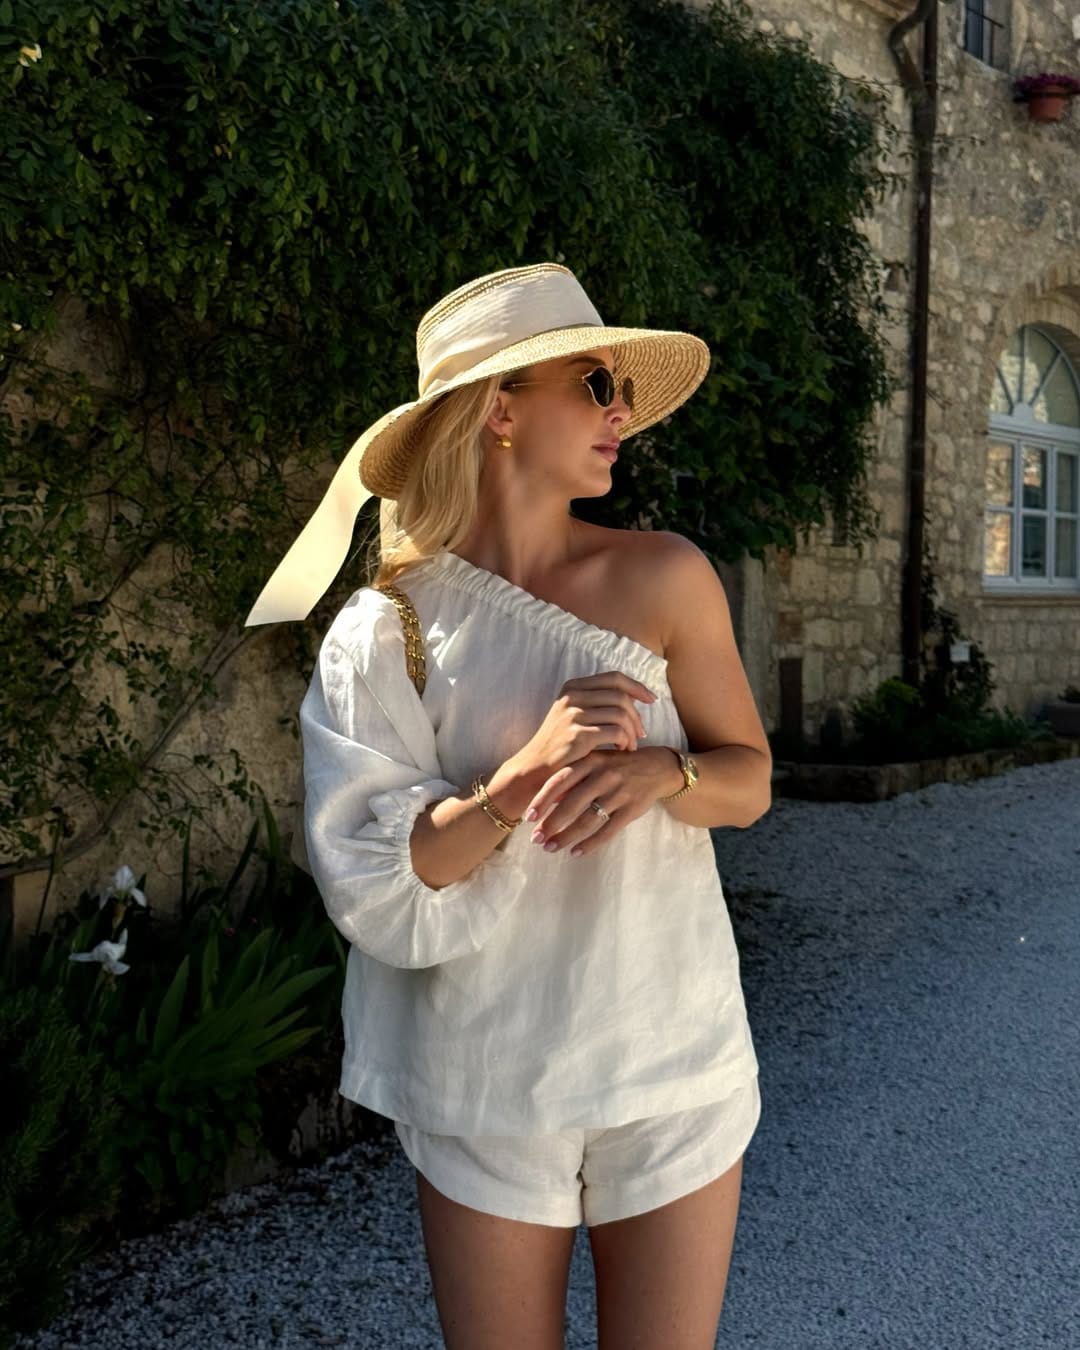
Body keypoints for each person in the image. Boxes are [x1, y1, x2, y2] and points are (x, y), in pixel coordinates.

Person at [246, 262, 773, 1350]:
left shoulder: (667, 576)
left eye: (617, 386)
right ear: (498, 409)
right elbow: (378, 883)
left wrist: (665, 776)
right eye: (592, 382)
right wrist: (517, 778)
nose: (620, 411)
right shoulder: (385, 631)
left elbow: (750, 779)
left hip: (669, 1053)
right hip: (484, 1073)